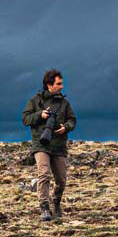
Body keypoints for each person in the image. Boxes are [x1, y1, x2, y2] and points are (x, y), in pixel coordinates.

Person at [21, 68, 76, 222]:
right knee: (44, 174)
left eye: (61, 83)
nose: (61, 86)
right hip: (41, 144)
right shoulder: (35, 101)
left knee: (61, 180)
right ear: (49, 85)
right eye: (59, 84)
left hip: (59, 146)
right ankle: (44, 207)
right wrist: (40, 115)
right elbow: (25, 119)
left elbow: (72, 119)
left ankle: (56, 202)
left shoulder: (65, 103)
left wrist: (66, 127)